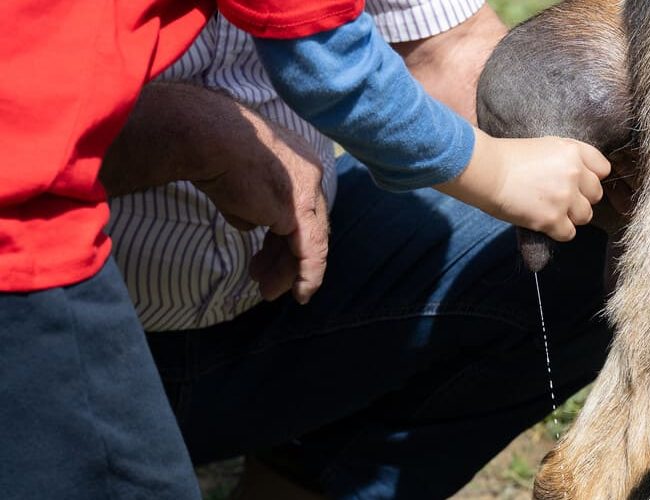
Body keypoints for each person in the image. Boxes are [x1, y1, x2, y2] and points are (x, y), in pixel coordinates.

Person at [0, 0, 610, 498]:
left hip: (273, 300)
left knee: (591, 246)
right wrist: (496, 171)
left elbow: (442, 46)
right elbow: (330, 64)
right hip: (48, 303)